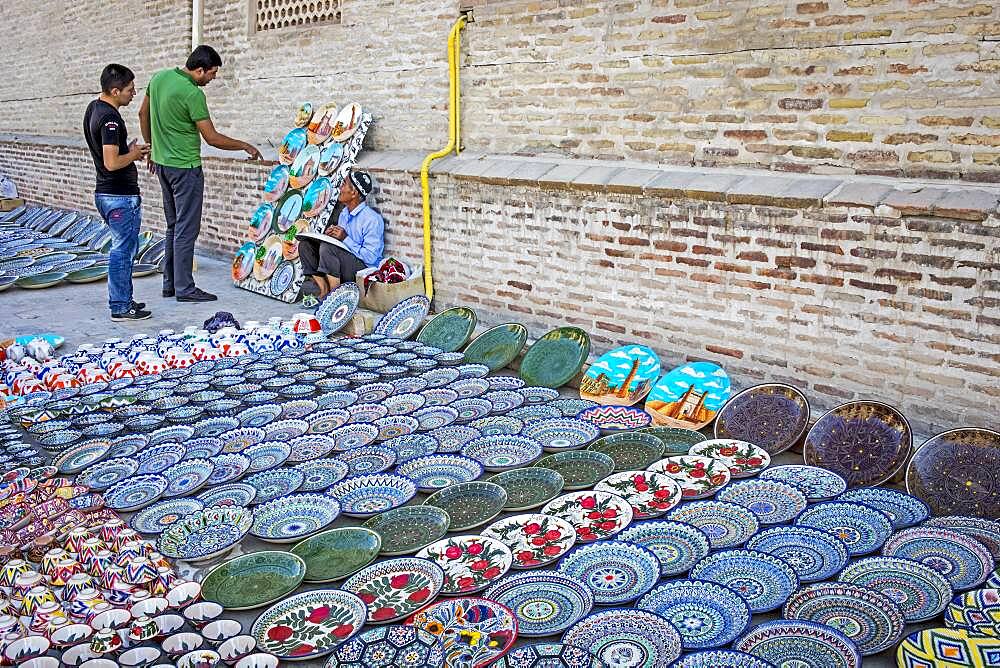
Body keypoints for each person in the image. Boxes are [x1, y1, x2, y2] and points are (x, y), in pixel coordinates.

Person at [139, 45, 262, 303]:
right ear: (199, 70)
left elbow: (142, 113)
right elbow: (212, 137)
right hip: (185, 168)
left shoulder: (159, 78)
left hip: (162, 165)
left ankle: (170, 284)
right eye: (212, 73)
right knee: (186, 229)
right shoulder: (192, 94)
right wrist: (244, 145)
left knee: (173, 226)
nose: (213, 78)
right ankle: (184, 288)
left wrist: (150, 147)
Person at [83, 64, 152, 322]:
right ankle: (121, 306)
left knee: (122, 249)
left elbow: (108, 154)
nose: (134, 93)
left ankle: (124, 299)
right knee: (122, 251)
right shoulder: (110, 118)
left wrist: (128, 149)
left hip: (107, 193)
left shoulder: (94, 108)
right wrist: (133, 154)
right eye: (130, 90)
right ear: (114, 90)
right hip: (119, 196)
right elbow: (111, 162)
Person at [298, 170, 384, 299]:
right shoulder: (344, 213)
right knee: (305, 245)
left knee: (328, 249)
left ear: (354, 193)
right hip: (344, 264)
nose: (340, 188)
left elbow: (371, 258)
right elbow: (339, 245)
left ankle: (337, 297)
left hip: (363, 271)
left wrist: (345, 238)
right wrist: (331, 236)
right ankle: (324, 290)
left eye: (344, 184)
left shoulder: (372, 219)